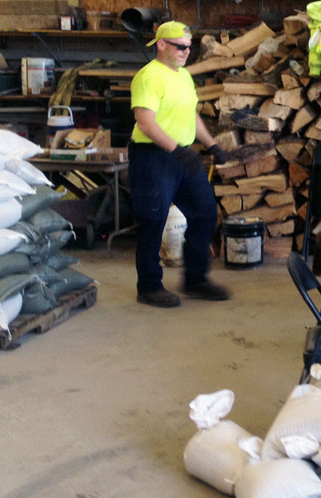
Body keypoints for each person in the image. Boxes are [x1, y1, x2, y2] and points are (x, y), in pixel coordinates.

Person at [128, 21, 233, 308]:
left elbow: (192, 116)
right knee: (153, 220)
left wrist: (211, 144)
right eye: (181, 46)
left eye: (190, 46)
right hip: (153, 157)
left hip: (181, 156)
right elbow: (145, 122)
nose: (187, 51)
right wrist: (177, 150)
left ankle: (196, 280)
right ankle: (149, 286)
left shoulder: (184, 76)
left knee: (204, 211)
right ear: (161, 45)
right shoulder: (149, 77)